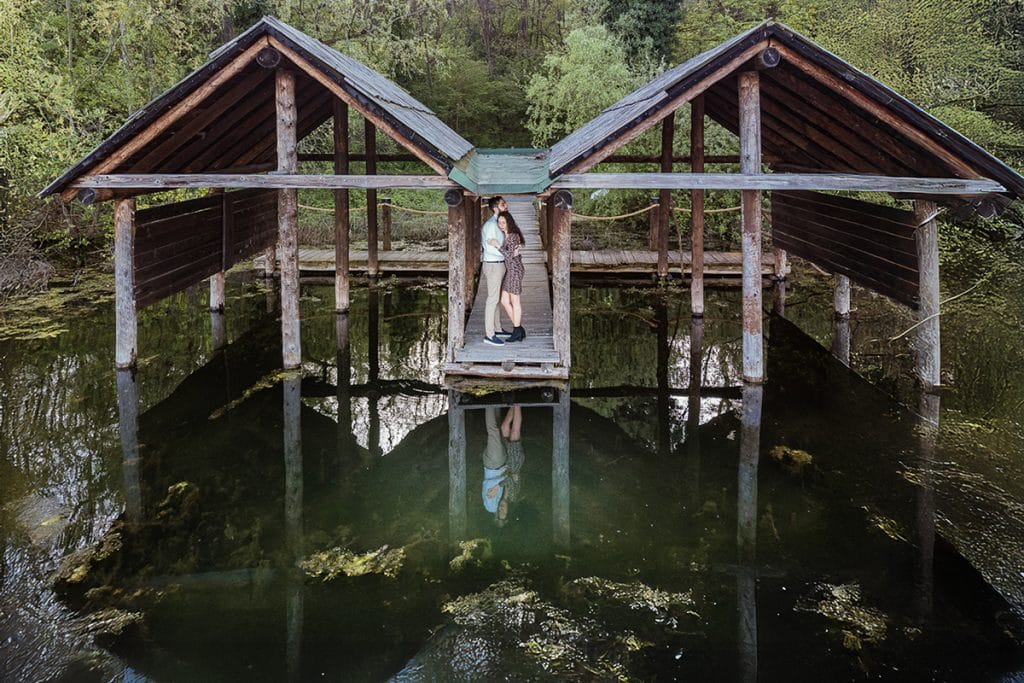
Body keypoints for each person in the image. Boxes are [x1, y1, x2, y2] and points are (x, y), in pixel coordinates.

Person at [481, 197, 511, 346]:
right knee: (492, 299)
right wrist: (507, 254)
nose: (506, 205)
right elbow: (490, 248)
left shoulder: (499, 223)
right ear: (495, 208)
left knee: (497, 298)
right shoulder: (491, 225)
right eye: (502, 204)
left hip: (499, 264)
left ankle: (497, 328)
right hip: (493, 265)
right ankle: (489, 334)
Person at [497, 211, 526, 342]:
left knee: (515, 301)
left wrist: (496, 245)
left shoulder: (513, 236)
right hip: (510, 270)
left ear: (509, 222)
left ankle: (517, 330)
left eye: (504, 222)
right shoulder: (507, 235)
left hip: (515, 269)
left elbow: (509, 255)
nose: (501, 225)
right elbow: (510, 254)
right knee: (504, 301)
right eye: (499, 222)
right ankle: (519, 328)